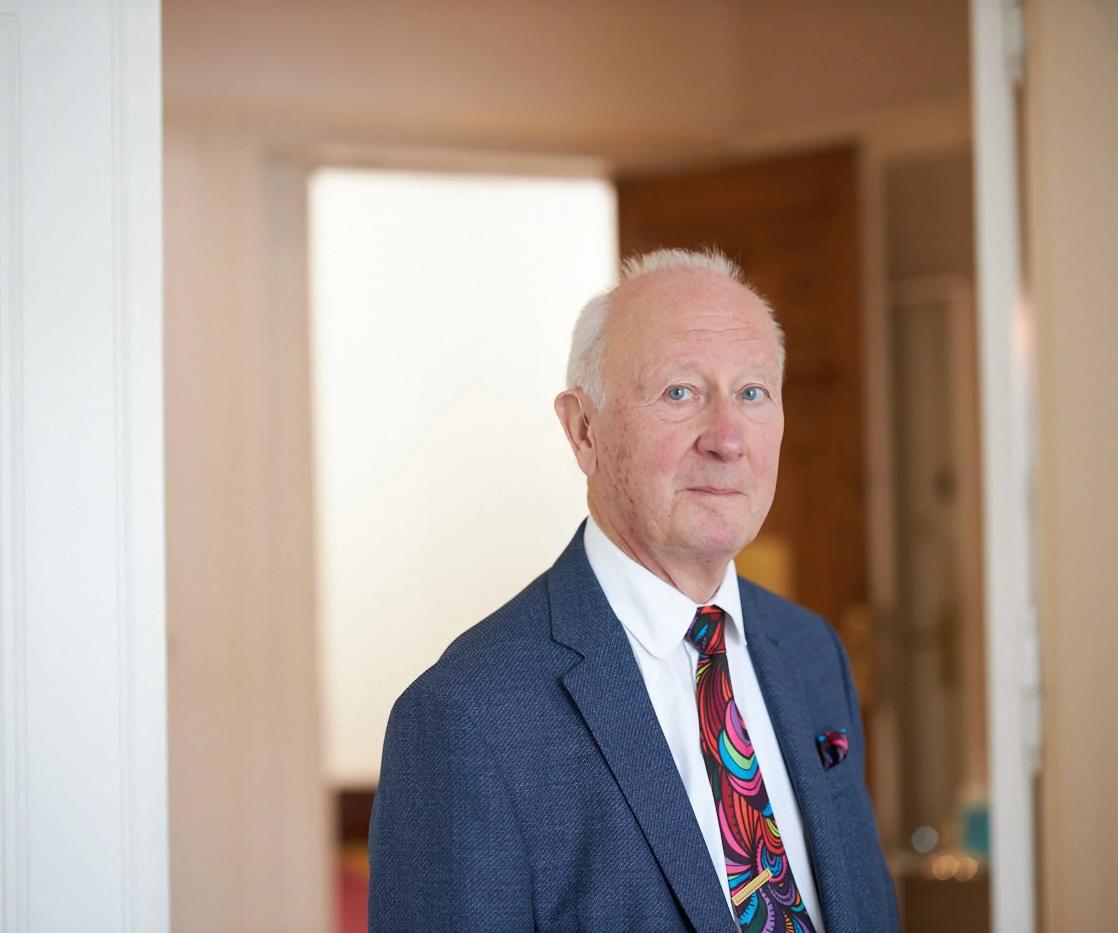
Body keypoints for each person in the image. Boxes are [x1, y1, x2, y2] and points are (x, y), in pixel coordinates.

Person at [368, 248, 897, 933]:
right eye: (680, 392)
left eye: (752, 393)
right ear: (583, 430)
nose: (728, 439)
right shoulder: (467, 718)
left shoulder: (810, 652)